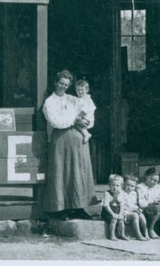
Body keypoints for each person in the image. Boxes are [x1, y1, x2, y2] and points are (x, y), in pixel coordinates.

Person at [42, 69, 95, 219]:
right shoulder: (49, 102)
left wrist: (84, 121)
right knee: (62, 172)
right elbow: (55, 121)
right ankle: (60, 209)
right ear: (55, 83)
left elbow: (87, 114)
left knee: (79, 173)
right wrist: (73, 120)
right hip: (61, 141)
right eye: (61, 83)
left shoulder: (73, 99)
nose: (63, 87)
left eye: (66, 84)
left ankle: (79, 207)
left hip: (79, 141)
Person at [137, 166, 160, 238]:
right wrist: (151, 203)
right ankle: (151, 229)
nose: (152, 182)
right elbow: (141, 202)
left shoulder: (157, 187)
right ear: (146, 176)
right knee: (157, 208)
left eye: (155, 181)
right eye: (151, 179)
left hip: (156, 207)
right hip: (145, 209)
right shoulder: (140, 187)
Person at [100, 174, 128, 240]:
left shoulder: (121, 194)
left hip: (117, 212)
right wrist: (112, 214)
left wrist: (120, 214)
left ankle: (122, 234)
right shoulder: (107, 193)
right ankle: (112, 235)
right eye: (113, 185)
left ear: (121, 186)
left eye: (117, 185)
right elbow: (106, 205)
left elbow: (122, 205)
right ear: (109, 185)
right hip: (107, 213)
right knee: (114, 220)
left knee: (121, 220)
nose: (115, 187)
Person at [122, 173, 148, 240]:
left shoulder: (134, 193)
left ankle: (146, 233)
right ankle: (138, 235)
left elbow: (134, 204)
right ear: (124, 184)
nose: (130, 187)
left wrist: (137, 209)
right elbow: (122, 206)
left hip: (131, 210)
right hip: (124, 212)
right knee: (135, 215)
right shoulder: (121, 193)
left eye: (132, 186)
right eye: (128, 185)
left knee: (141, 215)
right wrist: (132, 210)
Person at [73, 78, 96, 144]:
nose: (80, 92)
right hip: (83, 117)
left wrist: (78, 116)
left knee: (76, 123)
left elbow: (84, 110)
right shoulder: (79, 99)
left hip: (86, 118)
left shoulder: (87, 99)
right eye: (78, 90)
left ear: (87, 90)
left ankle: (86, 134)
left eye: (82, 90)